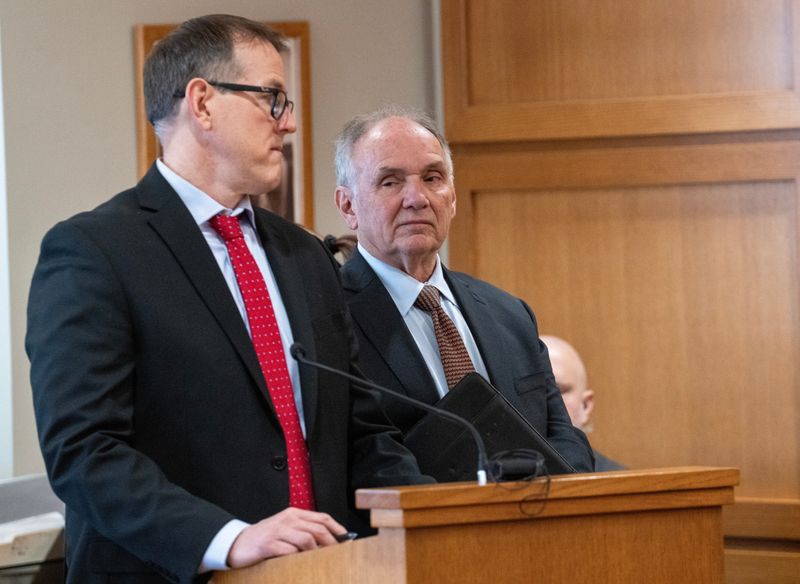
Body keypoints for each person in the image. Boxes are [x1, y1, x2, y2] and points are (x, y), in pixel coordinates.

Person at [26, 16, 430, 583]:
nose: (288, 123)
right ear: (203, 103)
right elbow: (85, 451)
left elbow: (361, 434)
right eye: (271, 98)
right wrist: (228, 538)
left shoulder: (306, 255)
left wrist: (441, 518)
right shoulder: (94, 252)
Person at [333, 106, 594, 473]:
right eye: (390, 181)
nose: (417, 198)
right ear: (348, 205)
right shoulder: (328, 317)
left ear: (452, 198)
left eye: (432, 178)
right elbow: (356, 458)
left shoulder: (509, 314)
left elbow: (562, 435)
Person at [541, 335, 626, 472]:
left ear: (585, 405)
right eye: (536, 391)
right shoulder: (499, 479)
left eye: (557, 391)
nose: (546, 401)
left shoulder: (621, 485)